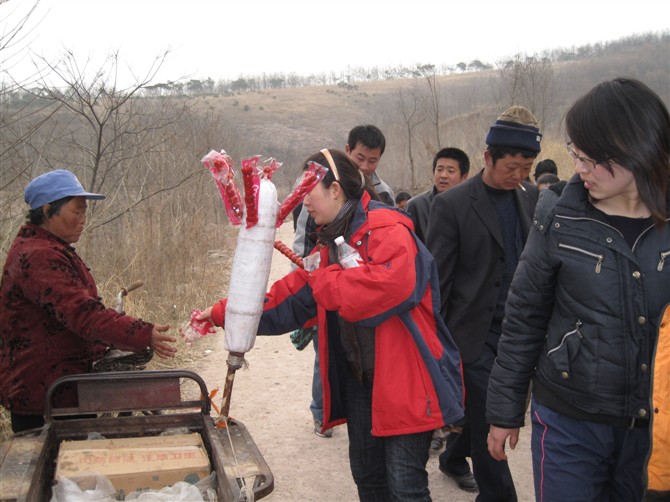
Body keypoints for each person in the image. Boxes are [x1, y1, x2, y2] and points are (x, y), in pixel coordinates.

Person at [199, 149, 464, 501]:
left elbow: (396, 286)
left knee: (406, 486)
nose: (303, 201)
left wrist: (327, 281)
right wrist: (227, 313)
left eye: (310, 190)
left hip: (403, 378)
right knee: (368, 477)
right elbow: (292, 298)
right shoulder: (329, 243)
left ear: (335, 189)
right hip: (360, 379)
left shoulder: (387, 228)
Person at [486, 78, 670, 501]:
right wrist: (504, 412)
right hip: (569, 417)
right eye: (576, 154)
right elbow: (525, 316)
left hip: (655, 428)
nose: (580, 168)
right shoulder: (559, 214)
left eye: (591, 159)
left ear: (637, 149)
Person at [0, 169, 177, 433]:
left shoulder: (50, 247)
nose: (83, 220)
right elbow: (83, 315)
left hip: (63, 386)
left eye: (85, 212)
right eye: (77, 212)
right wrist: (142, 333)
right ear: (48, 210)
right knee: (53, 466)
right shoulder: (38, 256)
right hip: (43, 396)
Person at [426, 106, 541, 501]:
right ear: (488, 157)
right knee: (495, 414)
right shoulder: (453, 204)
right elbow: (437, 280)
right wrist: (438, 343)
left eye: (527, 167)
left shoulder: (530, 197)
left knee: (482, 411)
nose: (519, 175)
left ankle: (453, 458)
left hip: (518, 330)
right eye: (512, 166)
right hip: (472, 334)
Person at [292, 124, 392, 439]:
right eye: (360, 157)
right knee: (327, 350)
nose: (364, 167)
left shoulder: (383, 194)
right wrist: (309, 279)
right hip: (324, 286)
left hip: (364, 295)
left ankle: (368, 413)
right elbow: (303, 239)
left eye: (372, 161)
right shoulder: (318, 189)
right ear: (346, 151)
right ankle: (322, 413)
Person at [407, 147, 470, 244]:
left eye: (451, 171)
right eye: (439, 170)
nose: (443, 175)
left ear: (464, 177)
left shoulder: (472, 205)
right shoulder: (416, 206)